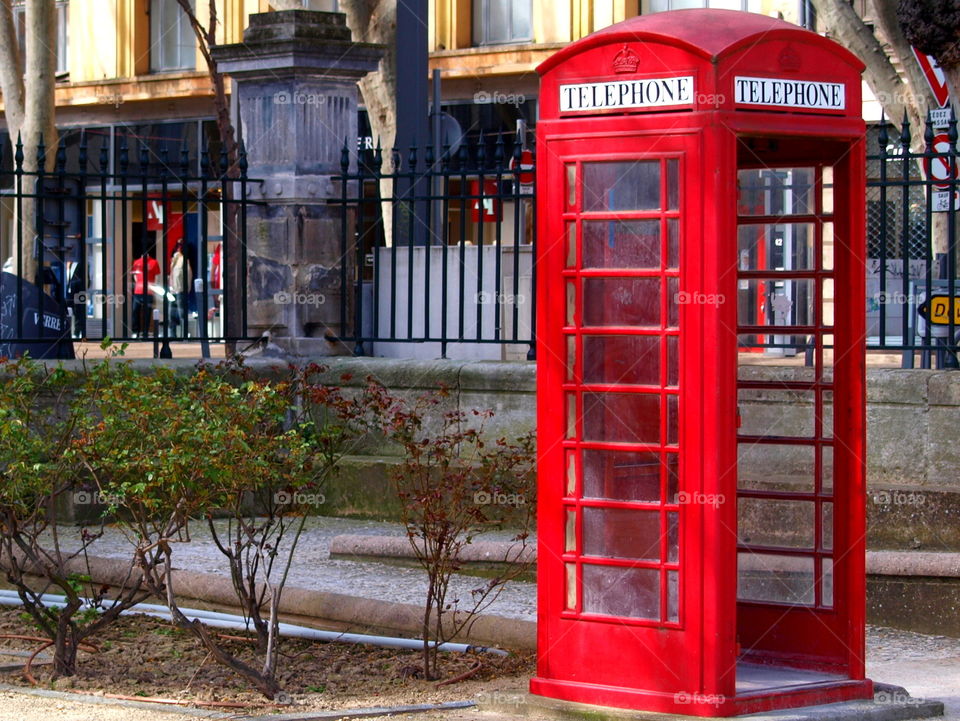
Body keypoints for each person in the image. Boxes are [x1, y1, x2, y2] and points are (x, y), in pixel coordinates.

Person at [131, 251, 160, 337]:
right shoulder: (136, 262)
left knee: (147, 313)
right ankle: (136, 331)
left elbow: (157, 276)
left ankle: (145, 331)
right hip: (138, 291)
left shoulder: (154, 262)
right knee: (135, 311)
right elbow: (135, 276)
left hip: (148, 291)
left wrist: (152, 286)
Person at [169, 240, 190, 336]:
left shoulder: (183, 260)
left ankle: (184, 334)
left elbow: (188, 276)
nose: (178, 248)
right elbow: (172, 275)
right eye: (177, 245)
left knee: (181, 314)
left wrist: (186, 289)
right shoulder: (174, 260)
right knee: (171, 314)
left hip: (180, 290)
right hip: (172, 290)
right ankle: (172, 335)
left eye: (180, 246)